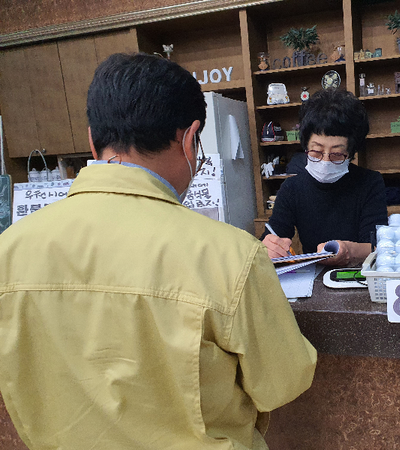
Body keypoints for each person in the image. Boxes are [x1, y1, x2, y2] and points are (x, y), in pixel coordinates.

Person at [0, 53, 316, 450]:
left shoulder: (9, 251)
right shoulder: (228, 255)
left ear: (92, 139)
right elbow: (282, 382)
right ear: (190, 139)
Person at [262, 88, 388, 267]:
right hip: (312, 279)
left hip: (359, 276)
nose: (325, 161)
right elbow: (273, 236)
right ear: (305, 146)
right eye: (316, 151)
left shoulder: (369, 183)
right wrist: (268, 248)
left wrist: (349, 251)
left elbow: (378, 245)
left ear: (351, 153)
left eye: (337, 154)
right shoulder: (292, 188)